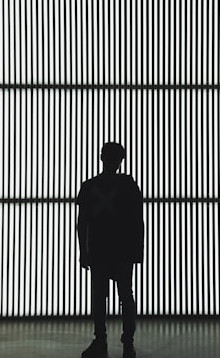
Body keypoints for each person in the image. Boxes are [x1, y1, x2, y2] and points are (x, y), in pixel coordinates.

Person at [76, 142, 144, 358]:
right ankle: (128, 341)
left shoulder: (89, 186)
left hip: (98, 249)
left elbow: (82, 222)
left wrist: (83, 250)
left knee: (99, 295)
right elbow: (137, 221)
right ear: (121, 160)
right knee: (126, 294)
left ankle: (100, 338)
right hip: (122, 249)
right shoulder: (128, 185)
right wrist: (137, 250)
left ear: (101, 157)